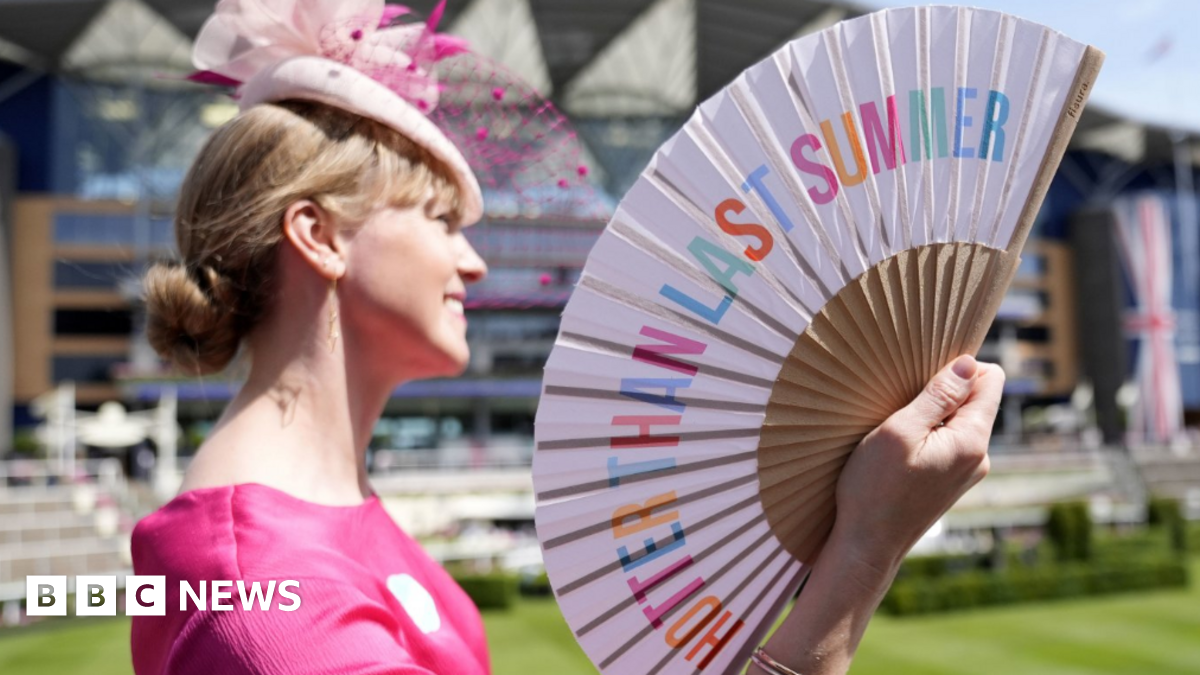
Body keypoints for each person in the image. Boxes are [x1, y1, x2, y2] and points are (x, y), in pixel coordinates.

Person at [131, 2, 1004, 675]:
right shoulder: (256, 589)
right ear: (318, 235)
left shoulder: (319, 517)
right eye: (439, 219)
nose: (472, 261)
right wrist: (862, 552)